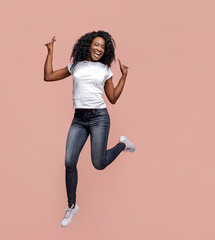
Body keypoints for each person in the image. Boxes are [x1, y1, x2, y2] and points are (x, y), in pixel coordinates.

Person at [43, 30, 135, 228]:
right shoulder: (76, 65)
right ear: (88, 45)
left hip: (98, 118)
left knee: (99, 164)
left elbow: (112, 98)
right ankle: (71, 206)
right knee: (69, 161)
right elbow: (48, 76)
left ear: (105, 51)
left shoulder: (104, 70)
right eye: (96, 45)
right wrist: (50, 52)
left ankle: (122, 145)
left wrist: (124, 76)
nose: (99, 49)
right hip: (79, 119)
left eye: (102, 47)